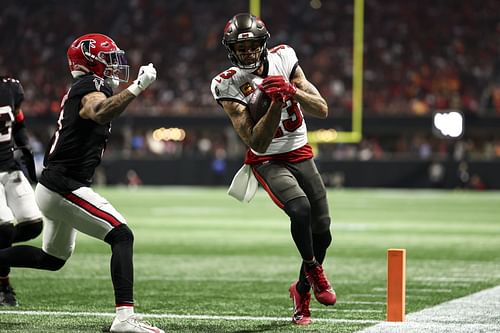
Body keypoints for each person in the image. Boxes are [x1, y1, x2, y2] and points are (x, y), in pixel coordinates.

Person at [0, 33, 164, 333]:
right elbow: (98, 111)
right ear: (90, 62)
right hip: (64, 185)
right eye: (108, 59)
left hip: (55, 184)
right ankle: (125, 319)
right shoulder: (91, 85)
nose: (114, 66)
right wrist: (138, 87)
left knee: (53, 258)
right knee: (122, 235)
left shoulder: (86, 85)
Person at [210, 13, 336, 326]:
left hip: (301, 152)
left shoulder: (285, 57)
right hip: (268, 160)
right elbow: (257, 142)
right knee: (300, 208)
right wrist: (275, 102)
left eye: (253, 45)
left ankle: (301, 288)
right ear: (231, 51)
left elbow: (321, 108)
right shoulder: (227, 83)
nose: (249, 52)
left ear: (263, 44)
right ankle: (312, 268)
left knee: (324, 230)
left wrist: (293, 92)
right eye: (242, 48)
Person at [0, 76, 43, 306]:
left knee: (33, 224)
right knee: (4, 226)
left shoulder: (10, 88)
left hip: (9, 166)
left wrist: (24, 145)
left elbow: (18, 122)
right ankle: (4, 286)